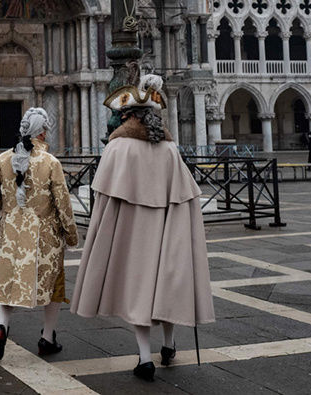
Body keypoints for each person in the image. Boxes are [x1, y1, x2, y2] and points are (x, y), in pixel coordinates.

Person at [71, 74, 215, 382]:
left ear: (130, 116)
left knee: (137, 292)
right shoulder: (170, 151)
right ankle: (168, 344)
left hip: (130, 236)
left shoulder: (117, 148)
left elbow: (104, 202)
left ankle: (145, 358)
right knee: (166, 286)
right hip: (166, 232)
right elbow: (186, 199)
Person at [0, 107, 78, 360]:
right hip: (45, 239)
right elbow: (63, 203)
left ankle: (2, 328)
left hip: (12, 233)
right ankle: (47, 338)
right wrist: (71, 235)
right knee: (53, 288)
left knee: (8, 281)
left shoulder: (4, 159)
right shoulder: (51, 163)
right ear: (43, 133)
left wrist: (8, 207)